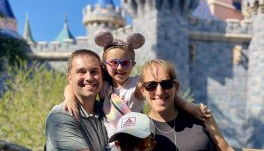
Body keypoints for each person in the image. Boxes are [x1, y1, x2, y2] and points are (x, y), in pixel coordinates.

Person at [64, 30, 209, 146]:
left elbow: (162, 93)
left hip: (135, 139)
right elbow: (72, 86)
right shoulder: (102, 84)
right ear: (105, 65)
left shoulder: (137, 84)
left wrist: (189, 106)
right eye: (114, 63)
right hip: (110, 142)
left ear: (132, 65)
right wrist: (70, 98)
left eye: (125, 63)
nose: (120, 67)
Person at [139, 59, 234, 151]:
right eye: (151, 85)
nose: (159, 92)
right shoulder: (139, 129)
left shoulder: (201, 115)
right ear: (142, 90)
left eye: (166, 84)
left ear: (176, 87)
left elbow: (226, 149)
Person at [45, 49, 109, 151]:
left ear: (102, 76)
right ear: (70, 78)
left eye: (94, 71)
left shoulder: (106, 110)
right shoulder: (61, 116)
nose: (89, 77)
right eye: (81, 72)